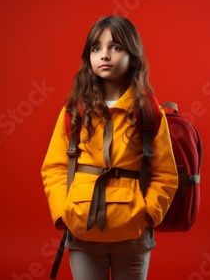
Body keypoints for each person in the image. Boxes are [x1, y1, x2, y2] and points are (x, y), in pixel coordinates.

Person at [41, 15, 179, 280]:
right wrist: (64, 212)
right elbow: (54, 167)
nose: (104, 55)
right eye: (96, 48)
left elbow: (166, 174)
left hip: (133, 232)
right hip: (82, 228)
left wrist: (147, 214)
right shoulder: (75, 110)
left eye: (115, 47)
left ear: (133, 56)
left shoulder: (149, 112)